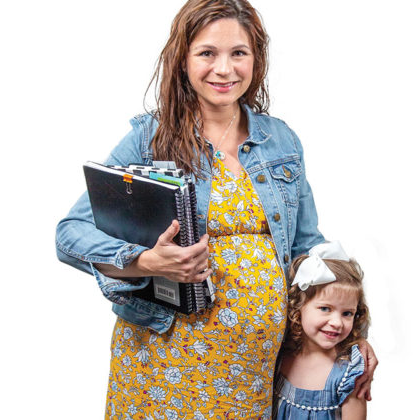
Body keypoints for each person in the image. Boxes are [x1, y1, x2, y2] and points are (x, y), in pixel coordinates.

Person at [54, 1, 376, 418]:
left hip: (251, 369)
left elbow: (308, 251)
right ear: (182, 59)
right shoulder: (150, 139)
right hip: (164, 365)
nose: (224, 69)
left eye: (238, 53)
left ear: (255, 59)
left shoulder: (281, 141)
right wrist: (147, 260)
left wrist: (353, 339)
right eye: (207, 53)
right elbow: (70, 234)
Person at [273, 242, 370, 420]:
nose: (336, 322)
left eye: (347, 313)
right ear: (298, 307)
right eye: (325, 308)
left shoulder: (348, 372)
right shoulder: (280, 353)